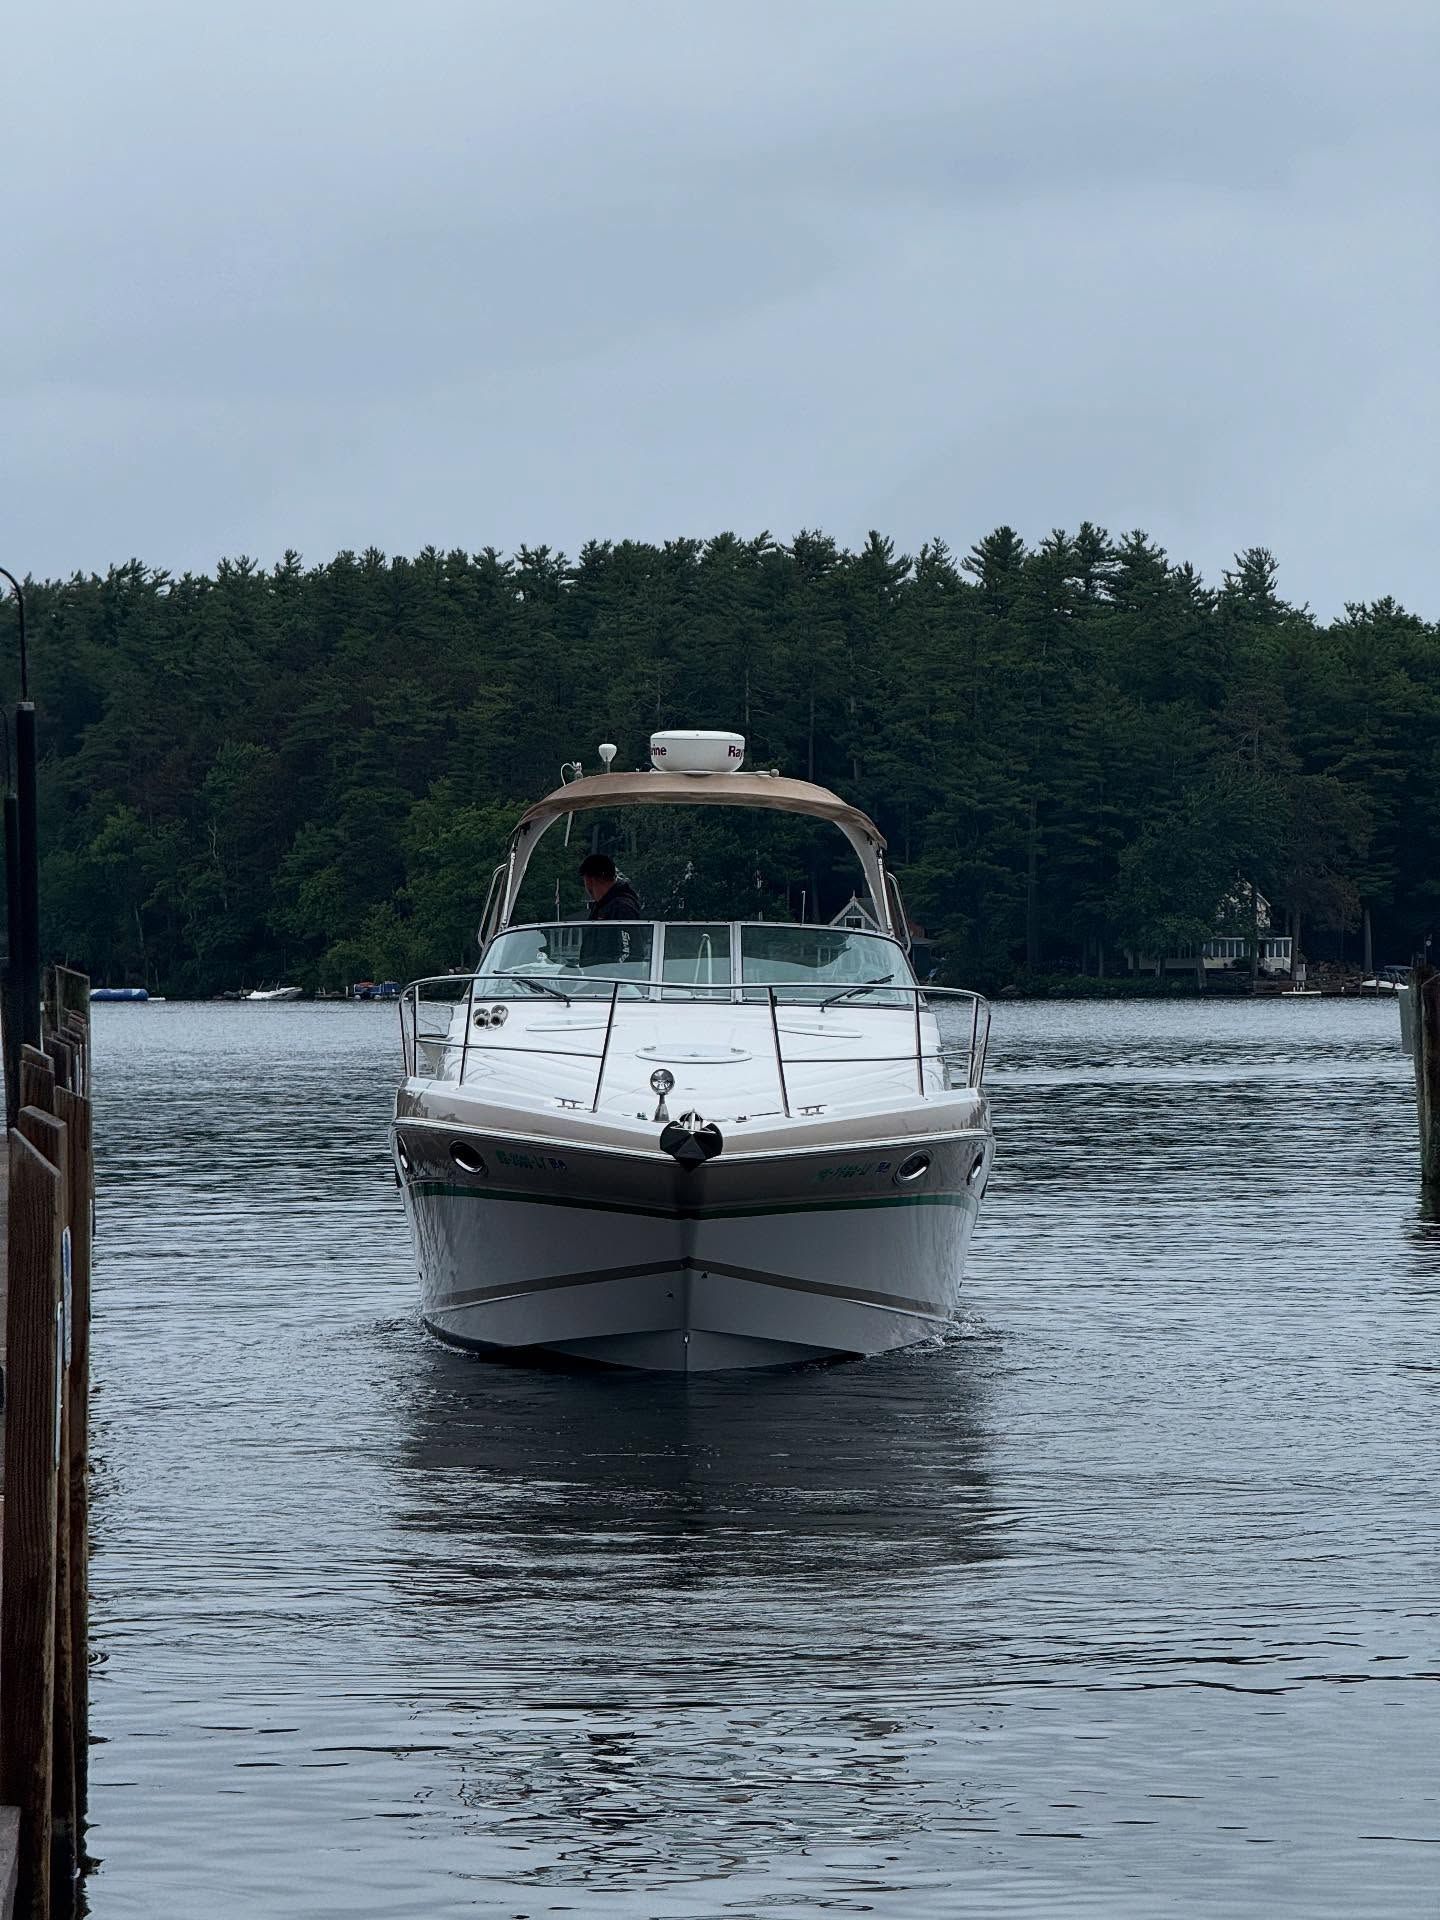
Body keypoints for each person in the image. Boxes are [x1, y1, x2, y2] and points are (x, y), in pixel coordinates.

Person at [579, 853, 643, 921]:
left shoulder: (621, 908)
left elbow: (626, 931)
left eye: (584, 880)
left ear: (589, 880)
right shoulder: (604, 906)